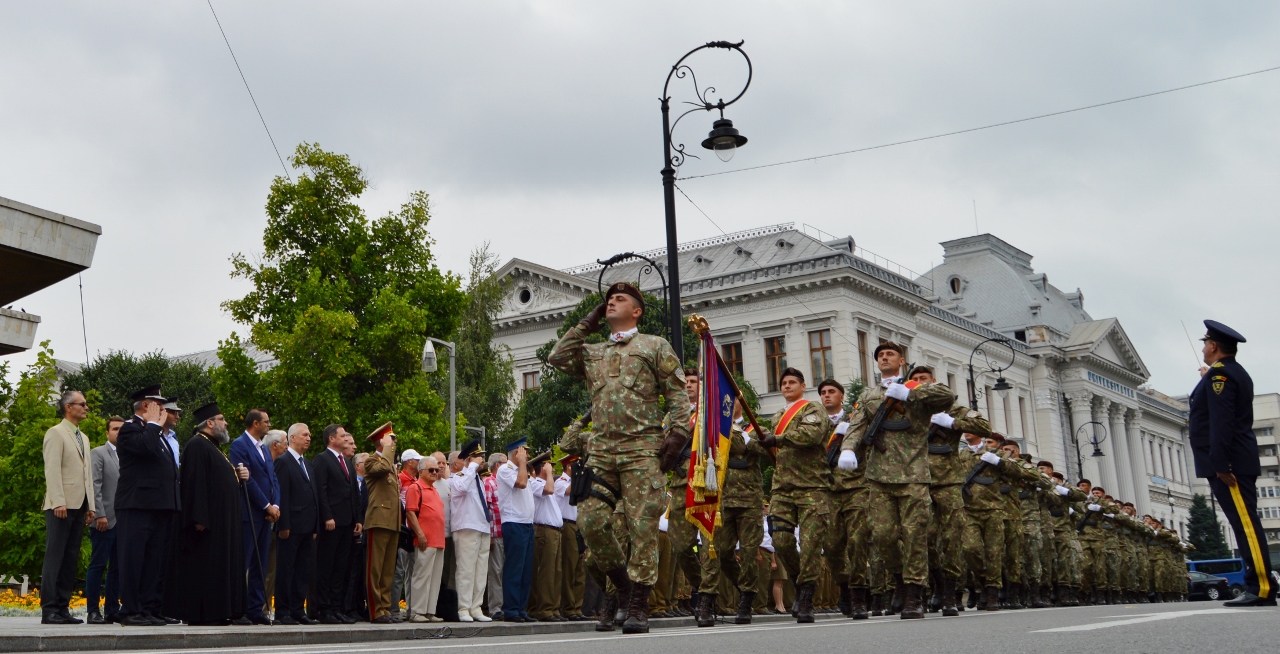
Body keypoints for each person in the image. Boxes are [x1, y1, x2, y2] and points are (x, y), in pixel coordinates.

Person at [546, 282, 690, 634]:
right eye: (608, 300)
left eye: (620, 299)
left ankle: (638, 603)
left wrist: (678, 435)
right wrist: (588, 321)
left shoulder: (654, 345)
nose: (611, 302)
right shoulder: (593, 351)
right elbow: (557, 357)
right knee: (591, 522)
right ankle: (624, 587)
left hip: (642, 449)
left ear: (637, 311)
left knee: (642, 529)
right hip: (601, 451)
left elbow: (677, 394)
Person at [842, 344, 953, 620]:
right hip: (879, 477)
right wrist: (848, 449)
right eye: (880, 355)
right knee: (883, 536)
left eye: (890, 354)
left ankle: (914, 593)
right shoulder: (869, 395)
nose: (884, 357)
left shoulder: (916, 388)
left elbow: (947, 396)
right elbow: (857, 425)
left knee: (915, 535)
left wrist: (910, 394)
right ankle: (899, 578)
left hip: (913, 475)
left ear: (902, 361)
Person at [1189, 320, 1275, 606]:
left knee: (1246, 525)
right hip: (1234, 459)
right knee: (1243, 524)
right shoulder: (1225, 374)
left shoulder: (1221, 376)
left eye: (1205, 343)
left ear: (1214, 346)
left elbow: (1222, 422)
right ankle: (1261, 585)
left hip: (1230, 463)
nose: (1203, 348)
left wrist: (1221, 464)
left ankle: (1261, 587)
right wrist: (1208, 379)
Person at [905, 366, 990, 617]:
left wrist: (953, 423)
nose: (919, 382)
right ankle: (936, 583)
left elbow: (983, 426)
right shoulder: (909, 408)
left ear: (934, 381)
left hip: (949, 481)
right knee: (923, 537)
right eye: (915, 380)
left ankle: (952, 591)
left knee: (952, 537)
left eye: (923, 379)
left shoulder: (952, 408)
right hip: (918, 480)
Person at [163, 402, 250, 625]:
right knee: (207, 568)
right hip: (207, 524)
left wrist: (237, 475)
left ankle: (221, 611)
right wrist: (198, 517)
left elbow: (217, 480)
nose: (226, 423)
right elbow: (195, 483)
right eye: (222, 419)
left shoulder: (213, 447)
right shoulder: (197, 445)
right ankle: (206, 614)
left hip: (222, 523)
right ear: (210, 423)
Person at [757, 366, 832, 623]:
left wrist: (776, 439)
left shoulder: (813, 409)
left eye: (792, 382)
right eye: (784, 383)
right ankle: (802, 581)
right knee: (781, 540)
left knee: (810, 545)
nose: (787, 386)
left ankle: (807, 595)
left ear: (802, 385)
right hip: (782, 487)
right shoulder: (778, 416)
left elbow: (811, 435)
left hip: (812, 487)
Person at [115, 385, 180, 626]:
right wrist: (153, 424)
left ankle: (147, 607)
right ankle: (130, 609)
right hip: (136, 505)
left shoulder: (156, 433)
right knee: (134, 559)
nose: (163, 409)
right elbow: (145, 448)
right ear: (146, 405)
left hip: (159, 506)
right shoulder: (130, 429)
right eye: (158, 405)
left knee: (154, 560)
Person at [40, 390, 96, 625]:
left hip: (79, 504)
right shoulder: (56, 433)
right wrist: (58, 501)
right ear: (68, 407)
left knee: (70, 558)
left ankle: (62, 607)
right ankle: (49, 609)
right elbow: (51, 469)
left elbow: (87, 474)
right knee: (55, 556)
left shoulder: (83, 437)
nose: (86, 407)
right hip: (61, 505)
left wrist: (91, 505)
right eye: (82, 404)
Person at [714, 399, 766, 624]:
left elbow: (764, 448)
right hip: (724, 500)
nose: (728, 401)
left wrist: (745, 438)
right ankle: (744, 587)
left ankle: (746, 598)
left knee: (748, 552)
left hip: (749, 501)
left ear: (740, 402)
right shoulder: (716, 428)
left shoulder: (755, 428)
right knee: (723, 551)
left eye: (733, 398)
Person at [229, 408, 280, 625]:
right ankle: (237, 608)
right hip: (250, 513)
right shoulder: (240, 445)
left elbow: (272, 477)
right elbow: (247, 480)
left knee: (261, 563)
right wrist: (266, 505)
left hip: (266, 515)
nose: (269, 425)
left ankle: (255, 608)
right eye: (266, 421)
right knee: (245, 562)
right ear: (256, 423)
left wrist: (276, 504)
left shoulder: (264, 448)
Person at [312, 424, 360, 624]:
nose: (345, 438)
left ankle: (336, 607)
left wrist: (358, 519)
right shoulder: (322, 460)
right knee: (327, 566)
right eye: (342, 436)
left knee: (341, 567)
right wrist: (327, 516)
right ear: (332, 439)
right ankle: (324, 609)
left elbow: (354, 492)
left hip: (347, 522)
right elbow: (321, 491)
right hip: (331, 523)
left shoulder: (346, 462)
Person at [273, 423, 319, 625]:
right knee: (286, 569)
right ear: (292, 438)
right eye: (304, 435)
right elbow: (282, 494)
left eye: (309, 435)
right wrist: (283, 524)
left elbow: (314, 495)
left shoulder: (307, 464)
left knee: (303, 570)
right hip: (290, 526)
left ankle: (298, 609)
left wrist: (315, 526)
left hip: (308, 526)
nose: (309, 438)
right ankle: (283, 611)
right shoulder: (283, 462)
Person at [448, 439, 493, 623]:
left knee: (480, 571)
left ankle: (476, 607)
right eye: (477, 456)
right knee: (466, 570)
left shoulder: (477, 479)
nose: (481, 460)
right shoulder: (457, 478)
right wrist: (471, 467)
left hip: (482, 527)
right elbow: (462, 489)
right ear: (468, 459)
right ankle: (463, 607)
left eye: (481, 456)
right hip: (466, 528)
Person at [86, 415, 125, 624]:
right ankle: (93, 611)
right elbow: (95, 484)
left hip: (123, 521)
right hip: (104, 519)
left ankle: (112, 609)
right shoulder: (98, 453)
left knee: (117, 568)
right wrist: (99, 513)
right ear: (107, 432)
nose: (119, 433)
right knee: (98, 565)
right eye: (115, 429)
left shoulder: (128, 455)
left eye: (122, 429)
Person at [363, 422, 402, 623]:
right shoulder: (372, 461)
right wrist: (387, 448)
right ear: (382, 441)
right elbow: (384, 467)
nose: (394, 443)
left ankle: (385, 608)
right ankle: (376, 610)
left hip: (392, 521)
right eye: (391, 439)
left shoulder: (388, 461)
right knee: (375, 569)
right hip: (378, 520)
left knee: (387, 570)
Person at [497, 438, 535, 623]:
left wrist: (523, 466)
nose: (527, 456)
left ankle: (521, 608)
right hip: (514, 522)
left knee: (526, 569)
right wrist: (521, 464)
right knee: (515, 568)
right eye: (524, 452)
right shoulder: (506, 469)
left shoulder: (521, 470)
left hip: (526, 523)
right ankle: (511, 609)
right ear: (516, 453)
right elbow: (521, 483)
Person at [406, 456, 446, 622]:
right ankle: (417, 611)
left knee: (435, 577)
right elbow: (410, 512)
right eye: (431, 470)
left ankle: (429, 611)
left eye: (436, 470)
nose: (435, 472)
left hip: (438, 539)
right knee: (421, 575)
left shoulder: (434, 489)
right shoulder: (415, 488)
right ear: (421, 471)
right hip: (425, 539)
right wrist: (420, 534)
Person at [390, 449, 424, 620]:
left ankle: (411, 609)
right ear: (409, 462)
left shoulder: (416, 480)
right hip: (403, 531)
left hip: (413, 531)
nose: (420, 463)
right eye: (417, 460)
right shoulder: (401, 478)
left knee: (412, 572)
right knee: (399, 572)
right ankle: (394, 610)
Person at [529, 455, 562, 621]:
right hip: (544, 530)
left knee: (556, 571)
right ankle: (544, 609)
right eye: (549, 466)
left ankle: (553, 608)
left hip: (555, 531)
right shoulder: (535, 483)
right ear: (542, 468)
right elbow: (548, 490)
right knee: (546, 571)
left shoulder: (547, 483)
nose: (553, 469)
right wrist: (549, 474)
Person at [555, 454, 588, 621]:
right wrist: (578, 476)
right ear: (569, 466)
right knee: (569, 567)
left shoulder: (576, 482)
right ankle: (568, 607)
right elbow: (569, 491)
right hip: (567, 525)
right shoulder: (561, 482)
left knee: (580, 569)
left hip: (579, 526)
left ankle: (577, 607)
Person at [260, 429, 287, 619]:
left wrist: (276, 508)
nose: (287, 446)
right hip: (261, 519)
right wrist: (268, 508)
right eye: (285, 442)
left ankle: (265, 608)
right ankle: (253, 606)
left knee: (271, 569)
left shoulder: (276, 463)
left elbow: (278, 490)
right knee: (258, 567)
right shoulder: (265, 463)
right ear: (275, 445)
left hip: (274, 521)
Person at [484, 452, 507, 619]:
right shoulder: (489, 482)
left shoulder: (505, 482)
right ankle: (495, 608)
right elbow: (486, 509)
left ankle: (506, 605)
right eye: (506, 464)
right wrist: (489, 535)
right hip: (496, 533)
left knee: (505, 571)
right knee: (496, 571)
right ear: (498, 465)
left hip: (508, 533)